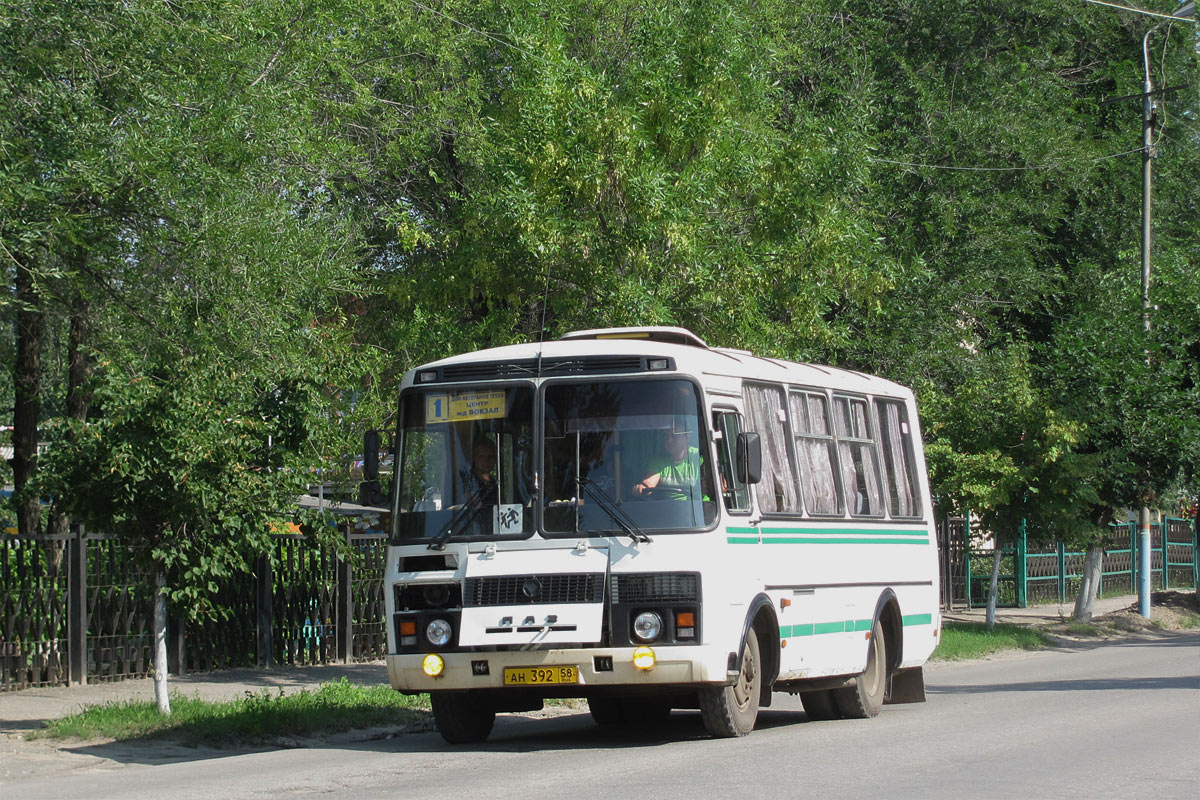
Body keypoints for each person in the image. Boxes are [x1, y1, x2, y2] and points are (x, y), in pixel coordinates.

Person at [632, 429, 700, 500]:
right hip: (667, 508)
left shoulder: (698, 456)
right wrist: (642, 488)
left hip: (697, 507)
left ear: (687, 437)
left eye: (674, 436)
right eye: (666, 436)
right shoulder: (658, 460)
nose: (669, 441)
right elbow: (649, 482)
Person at [460, 438, 498, 509]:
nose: (486, 460)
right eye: (482, 456)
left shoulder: (495, 484)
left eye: (490, 456)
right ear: (474, 458)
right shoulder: (469, 483)